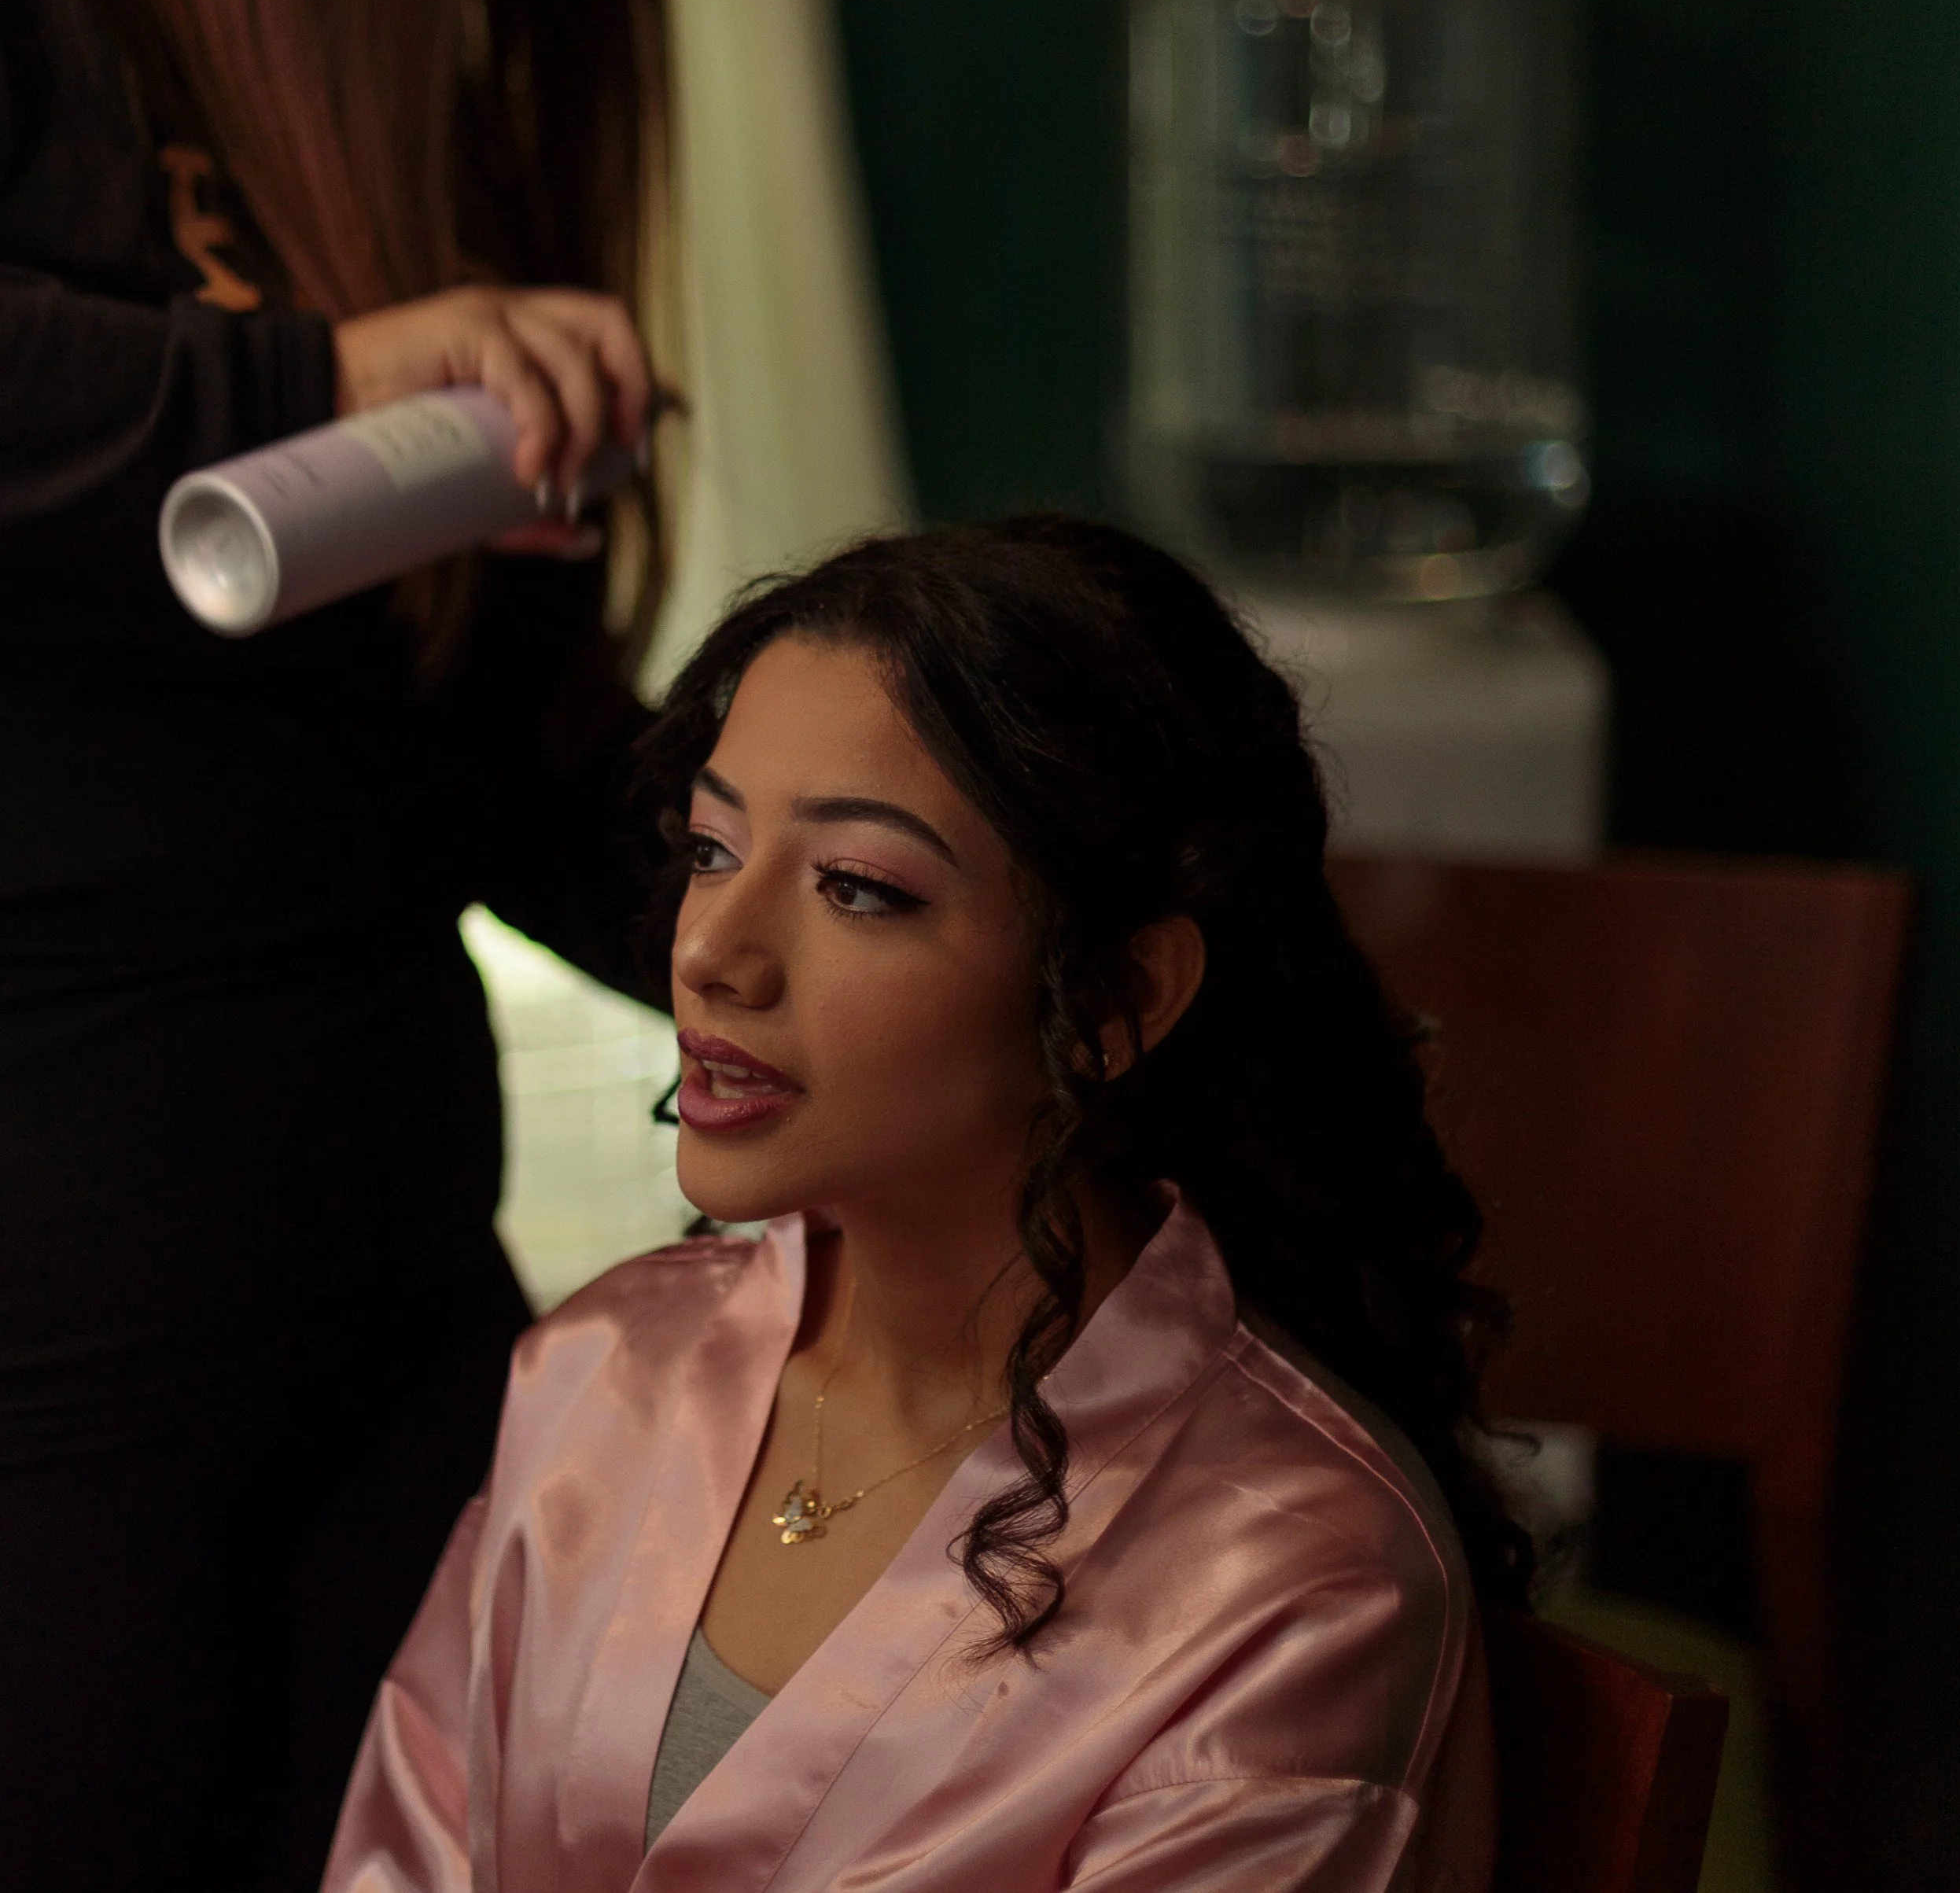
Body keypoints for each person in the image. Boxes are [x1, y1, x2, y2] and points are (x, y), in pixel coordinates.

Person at [0, 0, 724, 1893]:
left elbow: (500, 751)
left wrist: (815, 922)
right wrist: (315, 378)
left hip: (393, 1288)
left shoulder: (387, 75)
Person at [326, 516, 1521, 1893]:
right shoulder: (599, 1374)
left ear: (1120, 1001)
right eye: (713, 850)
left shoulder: (1295, 1580)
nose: (710, 951)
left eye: (857, 888)